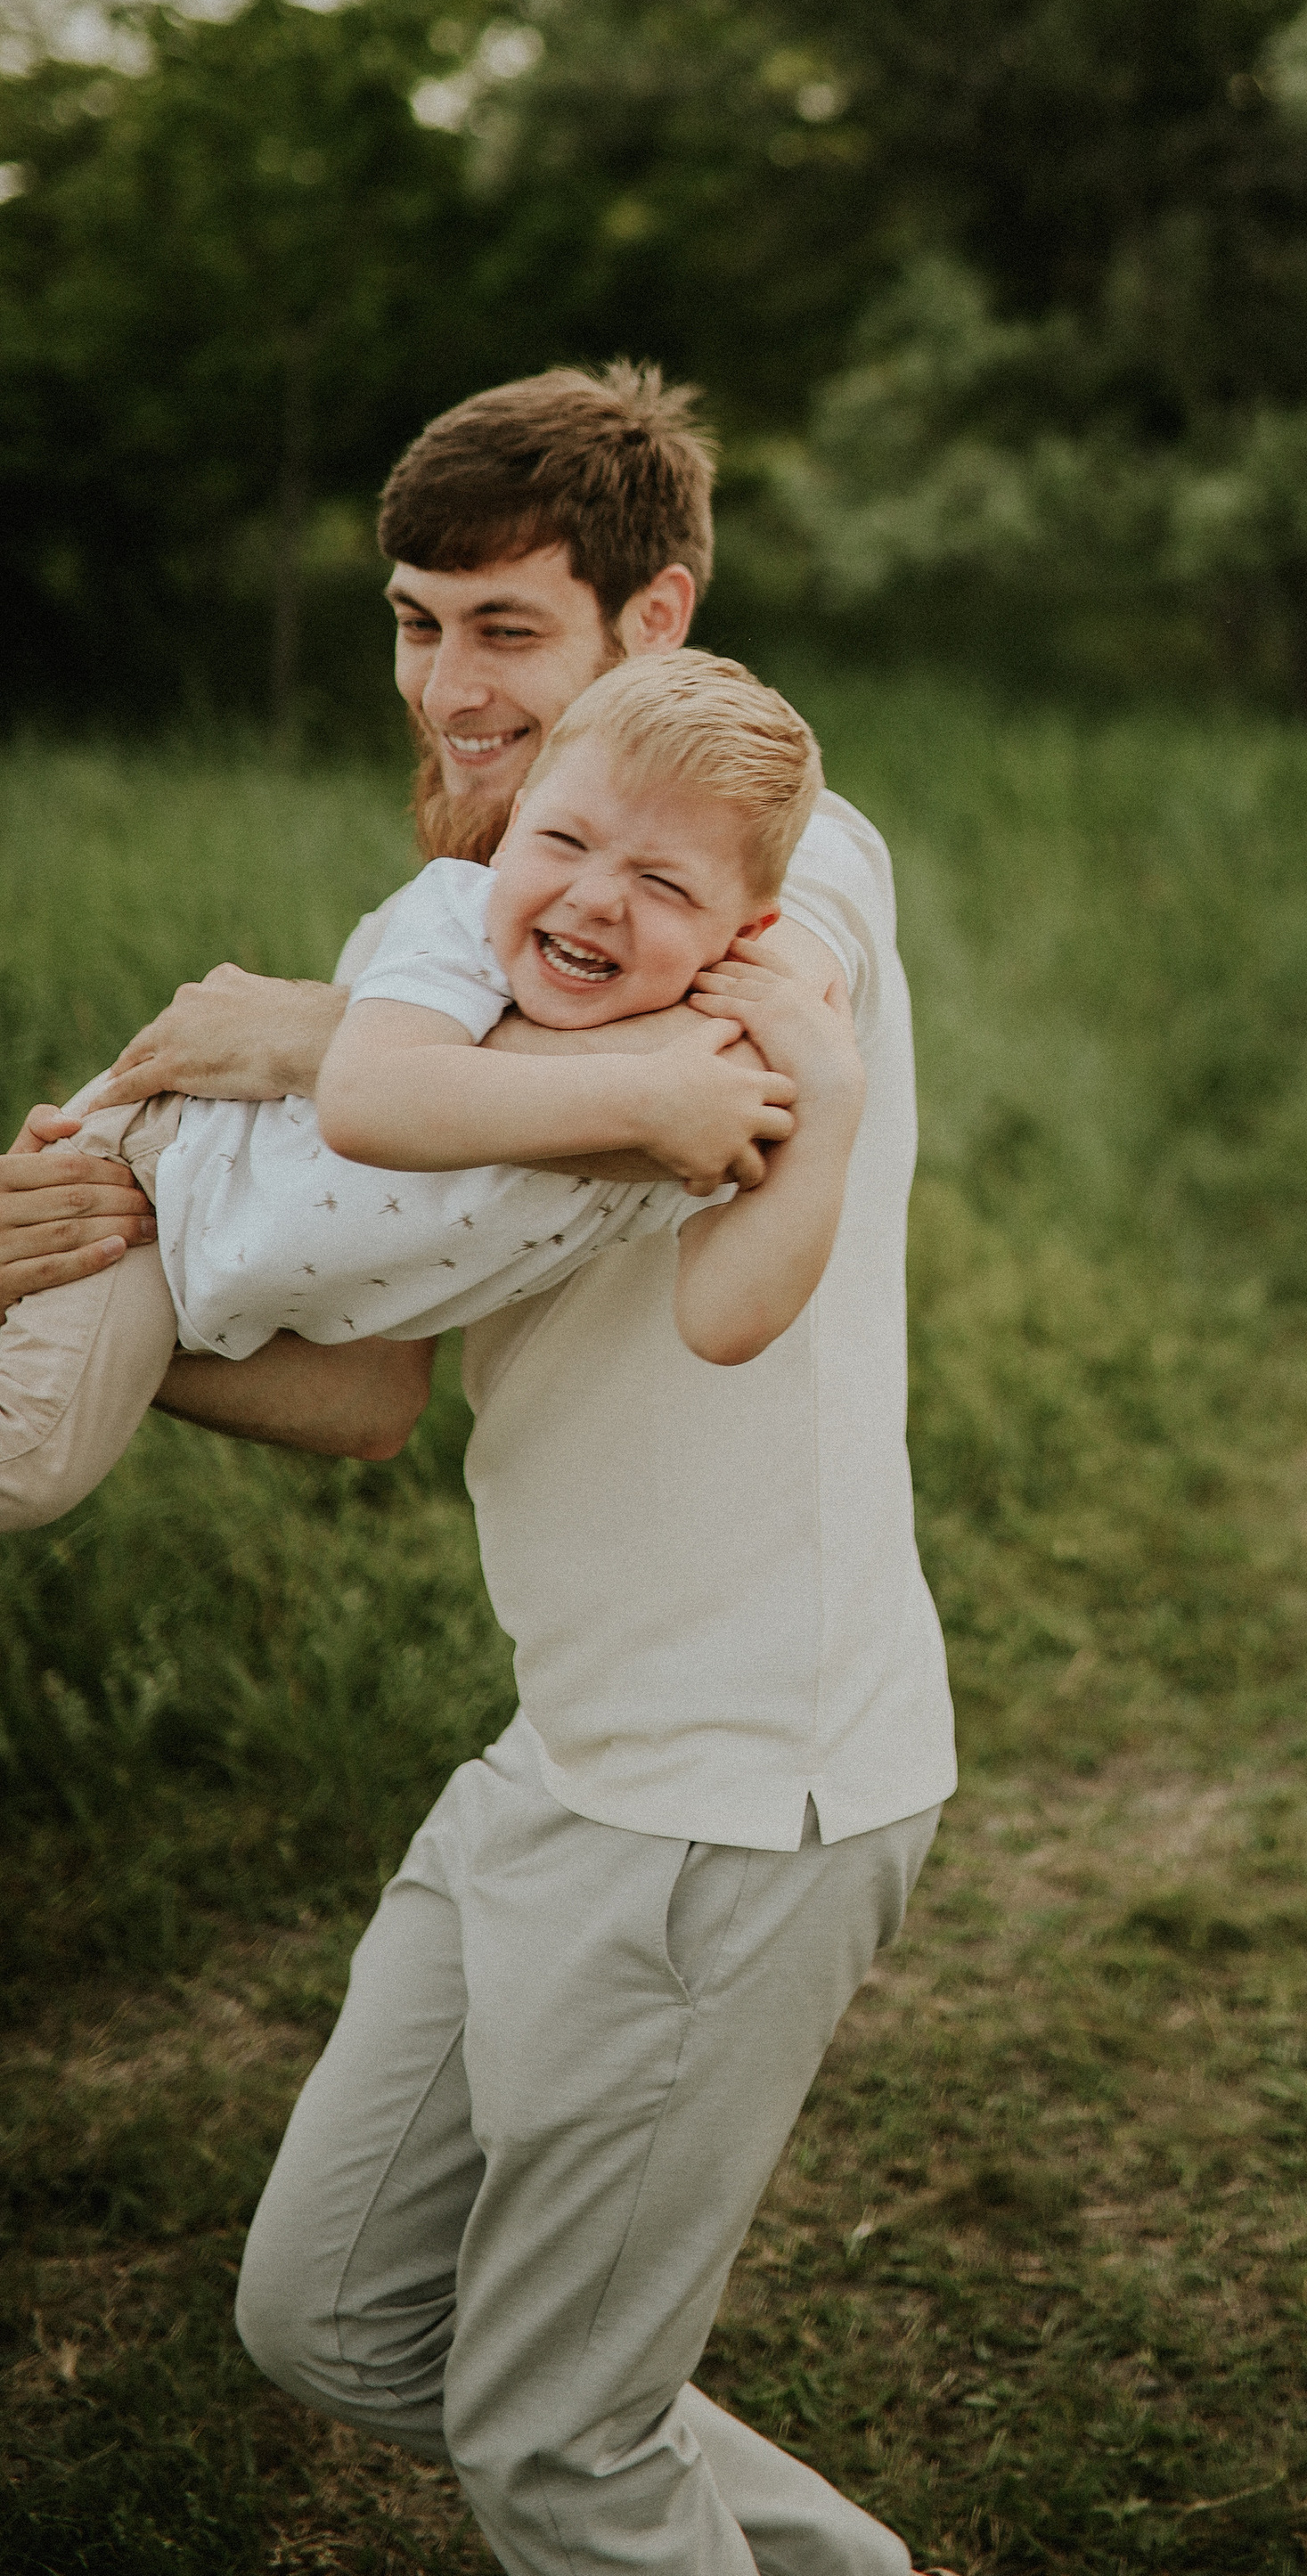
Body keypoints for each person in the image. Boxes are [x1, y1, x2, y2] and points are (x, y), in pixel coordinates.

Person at [1, 364, 958, 2576]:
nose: (448, 687)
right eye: (415, 624)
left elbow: (694, 1069)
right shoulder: (455, 941)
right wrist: (113, 1265)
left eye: (507, 629)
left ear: (655, 618)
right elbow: (363, 1393)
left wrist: (301, 1043)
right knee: (339, 2313)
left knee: (553, 2445)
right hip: (567, 1752)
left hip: (742, 1782)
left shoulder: (782, 861)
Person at [0, 652, 848, 1503]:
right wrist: (647, 1102)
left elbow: (722, 1324)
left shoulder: (710, 1072)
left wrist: (834, 1102)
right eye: (563, 840)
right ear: (513, 826)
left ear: (748, 932)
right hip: (158, 1184)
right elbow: (367, 1100)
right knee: (28, 1460)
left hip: (226, 1296)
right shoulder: (460, 921)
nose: (596, 897)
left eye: (662, 882)